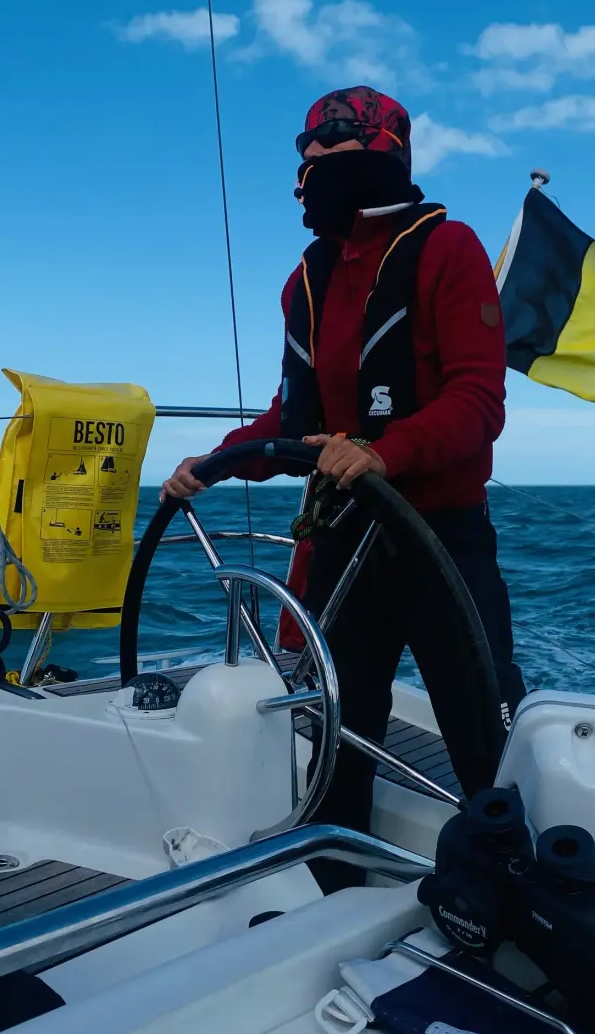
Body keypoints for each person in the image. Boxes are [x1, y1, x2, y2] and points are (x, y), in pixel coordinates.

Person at [163, 85, 525, 888]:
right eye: (306, 150)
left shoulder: (448, 248)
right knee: (337, 737)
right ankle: (333, 896)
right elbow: (293, 419)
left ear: (384, 148)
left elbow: (478, 401)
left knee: (485, 740)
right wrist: (214, 462)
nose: (312, 160)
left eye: (331, 145)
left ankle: (510, 895)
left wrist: (386, 454)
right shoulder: (307, 279)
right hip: (344, 538)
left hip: (440, 539)